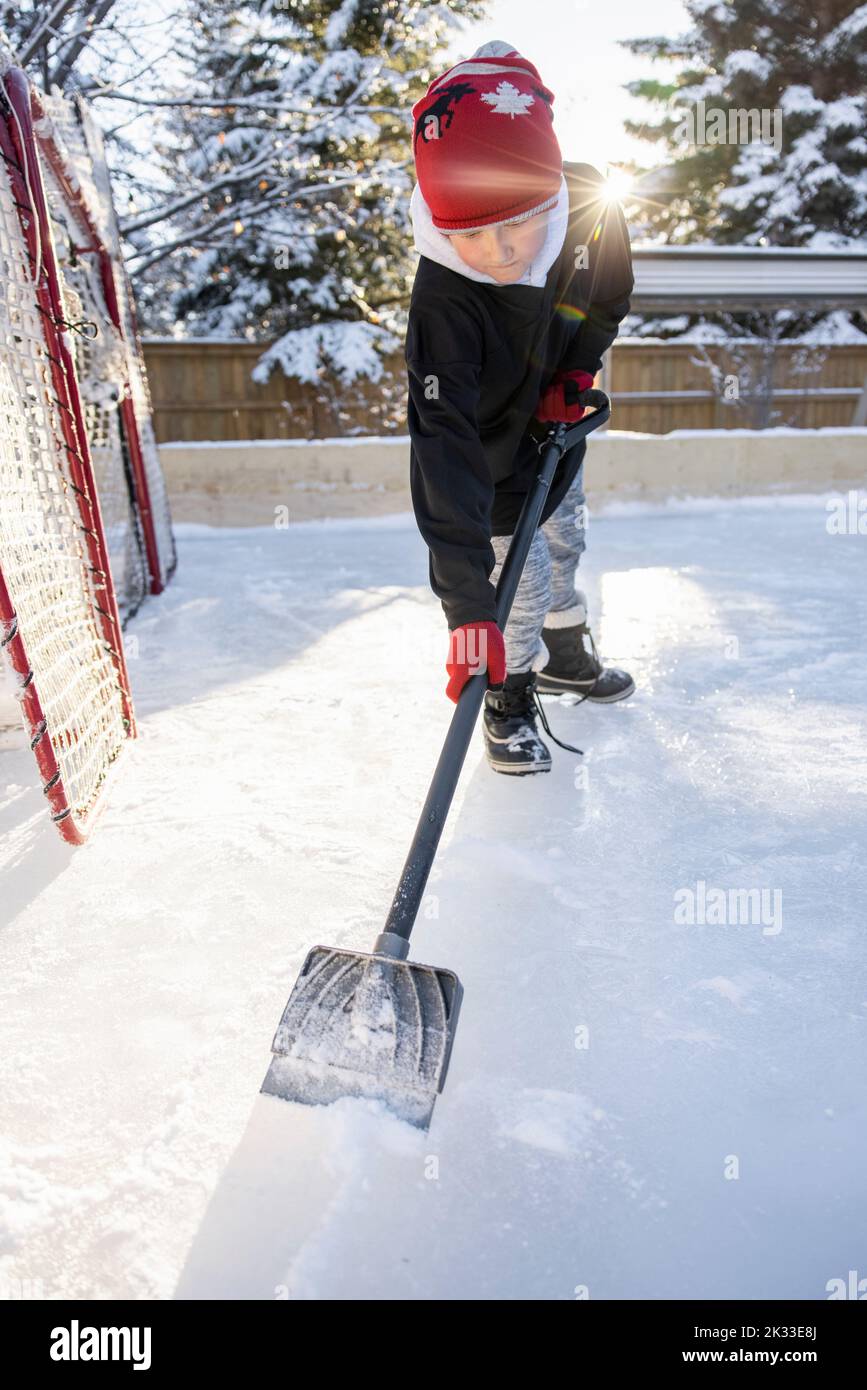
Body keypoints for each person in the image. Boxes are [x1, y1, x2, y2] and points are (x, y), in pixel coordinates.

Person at [405, 41, 635, 775]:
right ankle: (507, 698)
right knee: (520, 581)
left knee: (567, 534)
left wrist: (573, 372)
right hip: (484, 457)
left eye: (516, 223)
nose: (497, 251)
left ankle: (567, 658)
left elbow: (608, 298)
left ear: (549, 195)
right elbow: (440, 443)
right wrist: (469, 608)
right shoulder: (444, 296)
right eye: (467, 234)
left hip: (553, 424)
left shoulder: (591, 210)